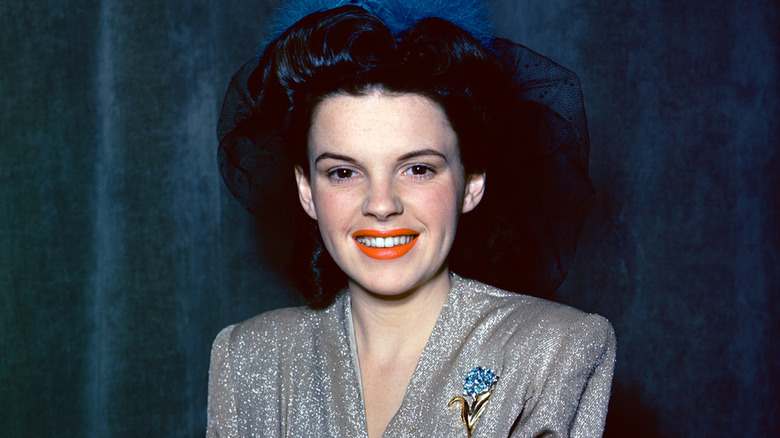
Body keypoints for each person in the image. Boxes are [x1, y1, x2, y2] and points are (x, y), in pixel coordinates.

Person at [209, 1, 615, 437]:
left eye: (418, 169)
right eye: (343, 172)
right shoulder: (248, 357)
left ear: (472, 182)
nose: (381, 204)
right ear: (307, 189)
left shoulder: (554, 351)